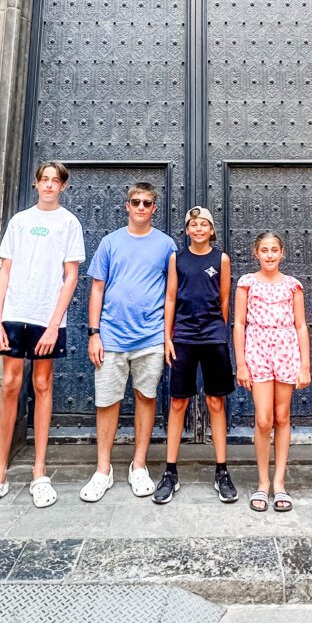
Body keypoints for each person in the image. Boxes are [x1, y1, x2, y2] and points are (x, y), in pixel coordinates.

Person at [0, 160, 85, 512]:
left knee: (43, 384)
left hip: (45, 316)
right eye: (44, 180)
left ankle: (39, 472)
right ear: (36, 184)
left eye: (55, 181)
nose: (49, 185)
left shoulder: (69, 223)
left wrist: (54, 323)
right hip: (14, 314)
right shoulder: (20, 221)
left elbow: (71, 277)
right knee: (9, 384)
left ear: (63, 187)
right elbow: (5, 271)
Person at [80, 182, 177, 503]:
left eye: (147, 203)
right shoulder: (110, 243)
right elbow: (96, 288)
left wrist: (166, 337)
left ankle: (138, 465)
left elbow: (170, 295)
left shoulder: (166, 245)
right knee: (106, 401)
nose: (140, 207)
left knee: (145, 398)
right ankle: (103, 469)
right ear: (126, 205)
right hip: (110, 337)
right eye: (135, 202)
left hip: (150, 337)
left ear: (154, 208)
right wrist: (94, 333)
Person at [153, 206, 237, 505]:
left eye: (204, 224)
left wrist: (217, 328)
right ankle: (171, 471)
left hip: (213, 337)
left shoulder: (221, 259)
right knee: (178, 402)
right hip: (183, 337)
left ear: (211, 230)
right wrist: (168, 337)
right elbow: (171, 297)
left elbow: (225, 299)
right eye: (193, 224)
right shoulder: (178, 258)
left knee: (216, 401)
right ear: (187, 230)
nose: (199, 229)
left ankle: (222, 471)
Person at [233, 231, 310, 512]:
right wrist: (241, 363)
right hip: (258, 348)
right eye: (264, 250)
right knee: (264, 420)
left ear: (282, 253)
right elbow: (239, 324)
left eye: (274, 250)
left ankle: (279, 483)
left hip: (286, 349)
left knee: (282, 416)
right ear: (256, 253)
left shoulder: (293, 286)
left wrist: (305, 366)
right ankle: (262, 482)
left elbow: (301, 325)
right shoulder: (246, 283)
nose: (269, 255)